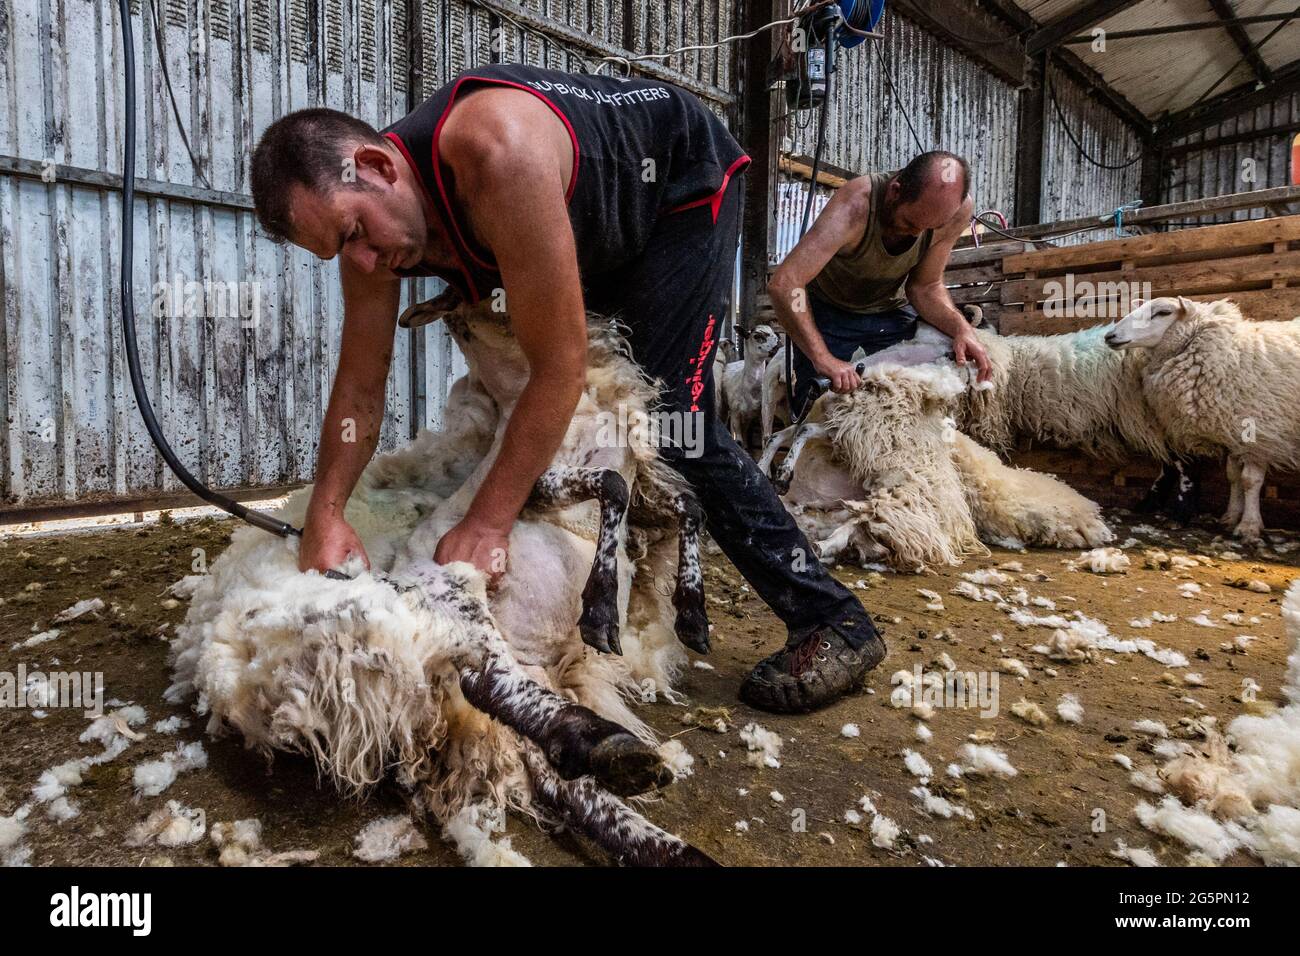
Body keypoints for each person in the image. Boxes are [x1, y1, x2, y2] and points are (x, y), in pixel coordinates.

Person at [248, 64, 885, 714]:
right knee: (558, 418)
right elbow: (359, 387)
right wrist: (326, 514)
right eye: (337, 252)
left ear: (377, 167)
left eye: (354, 233)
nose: (360, 263)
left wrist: (488, 523)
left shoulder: (497, 153)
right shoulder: (373, 239)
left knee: (670, 421)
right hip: (584, 222)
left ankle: (831, 618)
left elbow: (561, 367)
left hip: (678, 191)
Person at [768, 151, 992, 418]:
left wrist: (961, 330)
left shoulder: (958, 211)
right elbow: (786, 283)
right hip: (830, 313)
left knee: (910, 405)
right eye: (909, 223)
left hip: (890, 311)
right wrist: (822, 357)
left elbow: (925, 287)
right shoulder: (856, 206)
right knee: (822, 410)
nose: (917, 233)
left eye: (930, 227)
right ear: (894, 191)